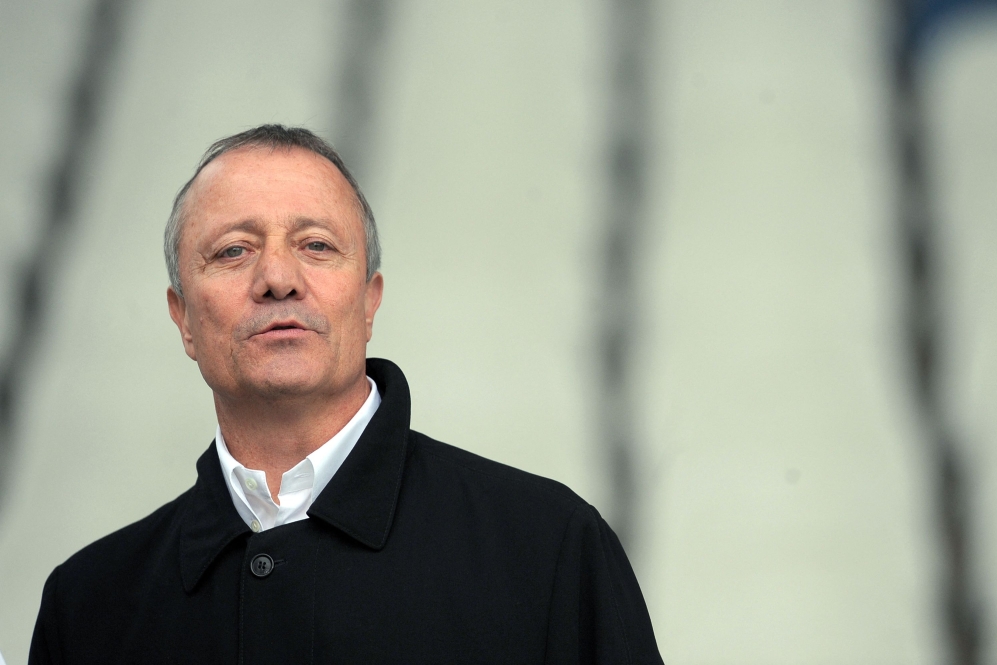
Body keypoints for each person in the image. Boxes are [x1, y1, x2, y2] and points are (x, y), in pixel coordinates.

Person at [28, 125, 662, 663]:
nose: (277, 279)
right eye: (233, 251)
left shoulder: (548, 549)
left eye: (316, 246)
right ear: (183, 318)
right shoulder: (86, 605)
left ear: (368, 301)